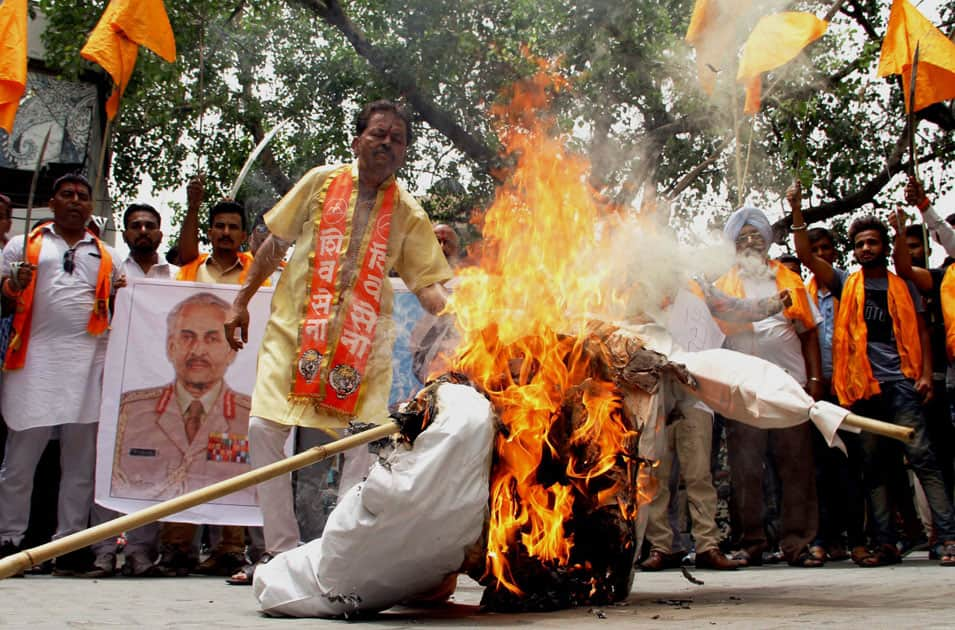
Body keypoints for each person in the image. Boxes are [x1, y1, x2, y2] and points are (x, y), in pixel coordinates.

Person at [222, 100, 453, 586]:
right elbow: (274, 243)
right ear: (357, 140)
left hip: (362, 348)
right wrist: (240, 300)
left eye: (398, 139)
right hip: (293, 333)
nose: (388, 144)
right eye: (379, 134)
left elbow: (428, 284)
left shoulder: (408, 212)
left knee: (363, 446)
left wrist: (471, 313)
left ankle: (334, 554)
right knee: (265, 429)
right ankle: (280, 552)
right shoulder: (320, 180)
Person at [797, 204, 955, 567]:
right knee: (873, 468)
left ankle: (947, 537)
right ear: (852, 251)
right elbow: (805, 254)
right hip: (861, 389)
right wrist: (795, 209)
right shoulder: (845, 282)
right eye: (859, 244)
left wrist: (926, 375)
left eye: (872, 242)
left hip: (902, 384)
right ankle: (885, 544)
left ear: (884, 247)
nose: (865, 249)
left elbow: (919, 333)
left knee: (923, 460)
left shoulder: (904, 284)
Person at [0, 174, 122, 576]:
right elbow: (5, 291)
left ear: (90, 206)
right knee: (20, 460)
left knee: (80, 462)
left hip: (90, 363)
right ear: (51, 203)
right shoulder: (24, 245)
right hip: (34, 361)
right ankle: (9, 539)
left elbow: (120, 309)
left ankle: (69, 543)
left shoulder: (107, 254)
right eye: (67, 195)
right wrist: (10, 283)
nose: (75, 201)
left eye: (83, 197)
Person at [716, 206, 824, 568]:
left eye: (756, 236)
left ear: (767, 242)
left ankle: (799, 544)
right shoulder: (721, 287)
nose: (750, 242)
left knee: (796, 466)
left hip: (789, 386)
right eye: (742, 237)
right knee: (746, 470)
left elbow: (810, 334)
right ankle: (752, 544)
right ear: (733, 246)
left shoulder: (789, 280)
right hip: (744, 391)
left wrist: (814, 381)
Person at [86, 204, 180, 577]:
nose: (142, 230)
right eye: (135, 225)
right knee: (108, 466)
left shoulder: (174, 276)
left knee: (151, 465)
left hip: (158, 382)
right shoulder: (110, 273)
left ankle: (142, 552)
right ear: (125, 234)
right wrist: (111, 297)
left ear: (160, 233)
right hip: (115, 380)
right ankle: (103, 550)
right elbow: (91, 319)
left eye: (149, 225)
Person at [111, 292, 252, 501]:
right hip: (149, 524)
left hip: (222, 524)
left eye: (212, 339)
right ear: (170, 347)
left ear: (232, 350)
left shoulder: (250, 417)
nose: (198, 350)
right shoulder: (130, 412)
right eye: (187, 337)